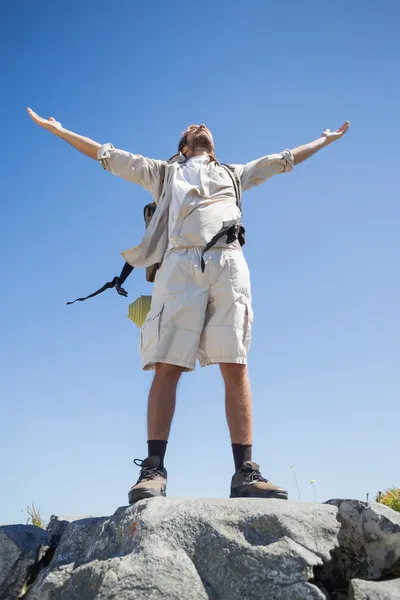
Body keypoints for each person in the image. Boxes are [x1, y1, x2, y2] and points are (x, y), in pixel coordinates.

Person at [27, 109, 350, 503]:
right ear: (183, 148)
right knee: (168, 365)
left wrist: (325, 139)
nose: (199, 126)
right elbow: (106, 155)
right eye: (191, 130)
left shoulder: (235, 174)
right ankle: (154, 471)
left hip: (230, 264)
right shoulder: (163, 174)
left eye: (204, 127)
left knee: (236, 363)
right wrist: (59, 130)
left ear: (212, 150)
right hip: (179, 265)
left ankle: (245, 474)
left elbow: (284, 161)